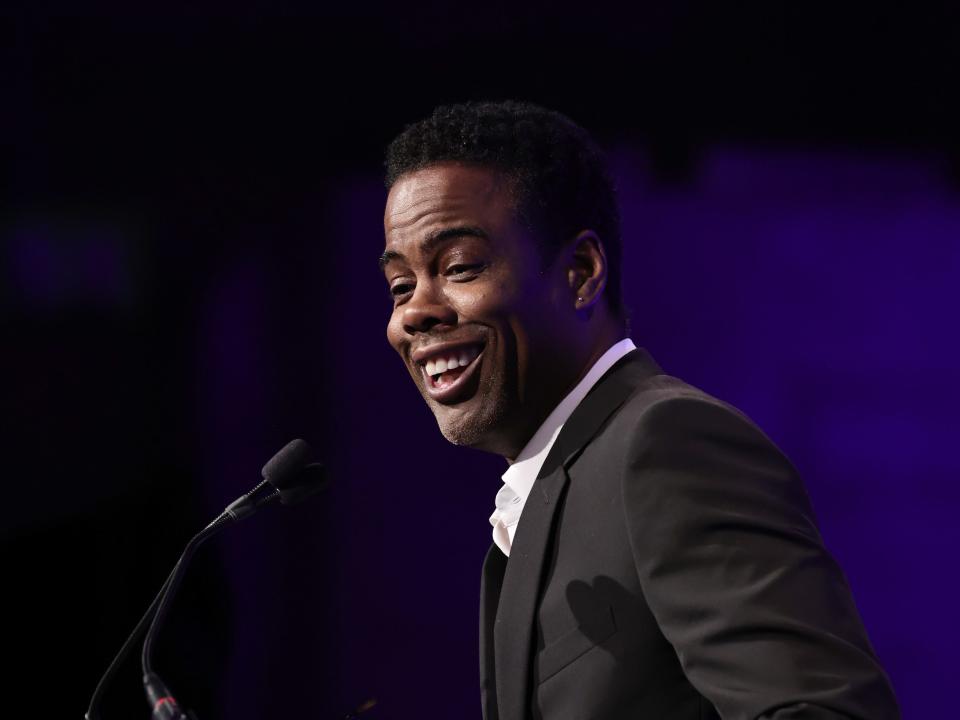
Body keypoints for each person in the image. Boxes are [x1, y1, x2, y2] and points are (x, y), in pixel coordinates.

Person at [379, 101, 899, 720]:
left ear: (580, 273)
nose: (414, 313)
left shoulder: (665, 443)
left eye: (460, 266)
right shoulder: (553, 489)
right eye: (401, 286)